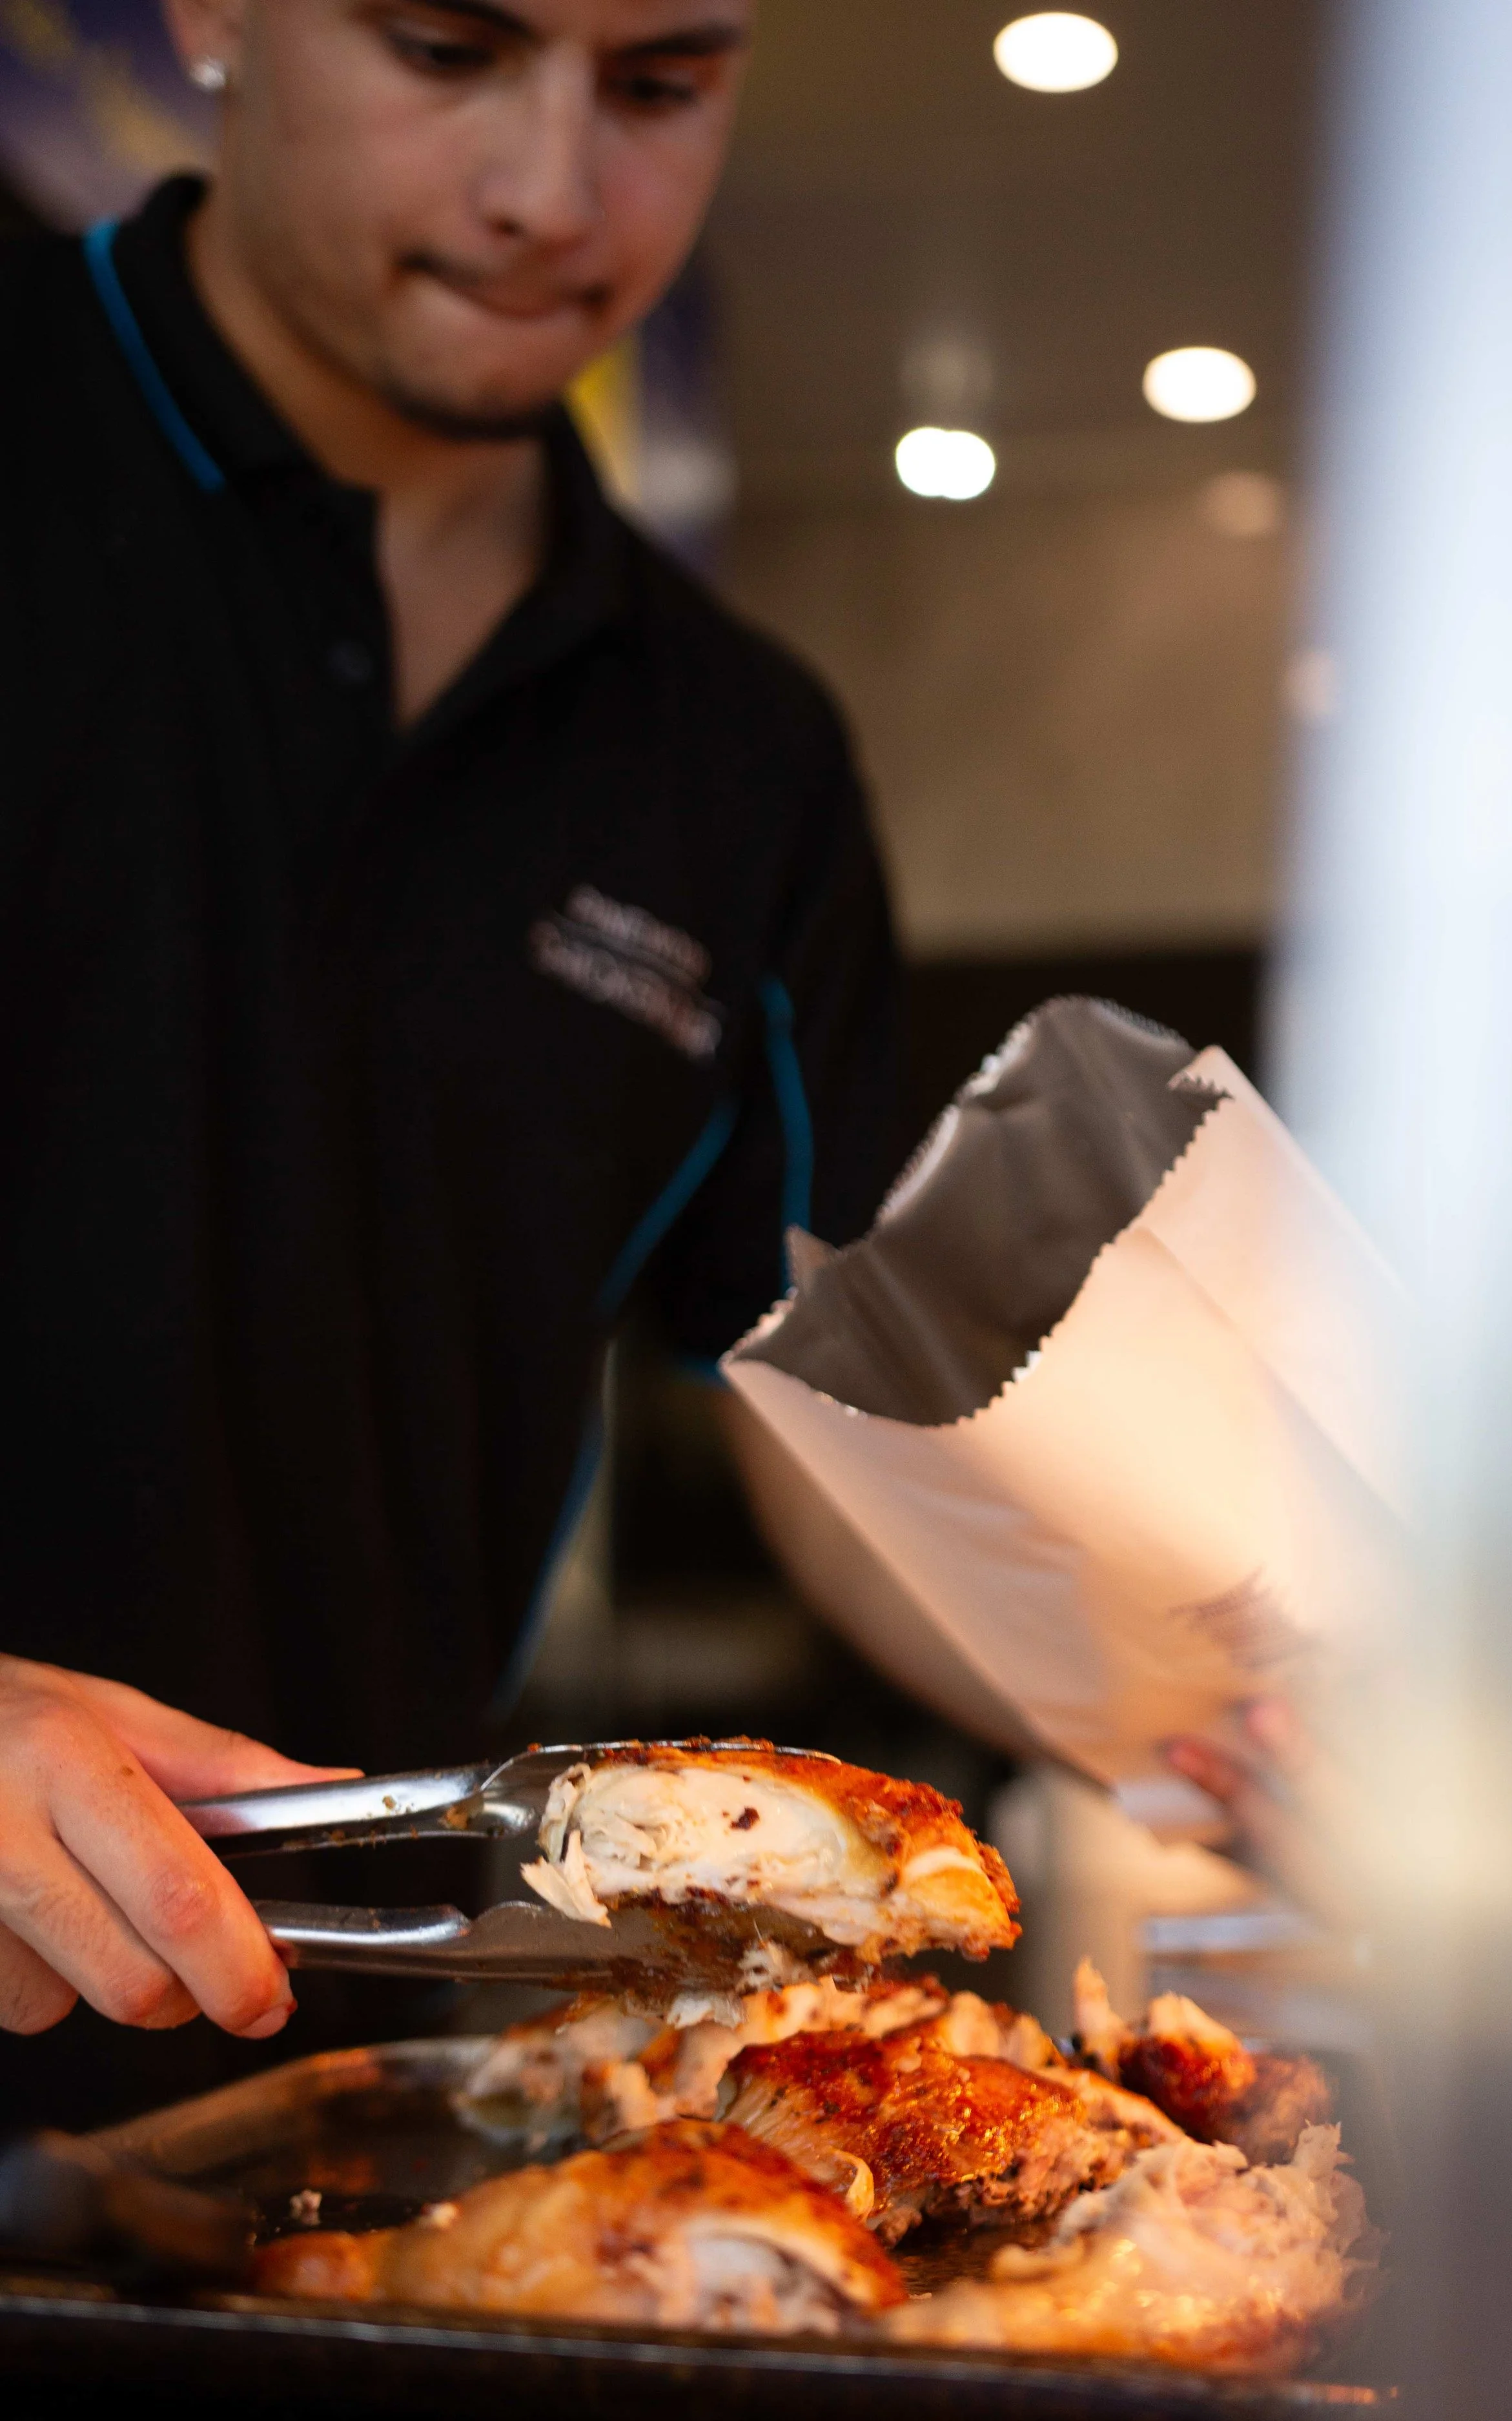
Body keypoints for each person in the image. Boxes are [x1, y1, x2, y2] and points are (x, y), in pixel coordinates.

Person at [0, 0, 900, 2125]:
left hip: (299, 2108)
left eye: (660, 86)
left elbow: (852, 1411)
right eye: (443, 47)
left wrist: (1225, 1679)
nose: (551, 197)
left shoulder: (734, 754)